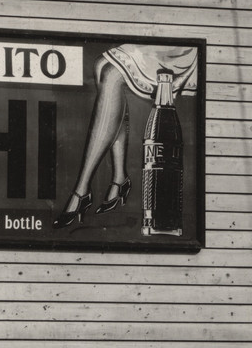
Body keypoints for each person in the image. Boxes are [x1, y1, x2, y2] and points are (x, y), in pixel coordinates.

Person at [53, 43, 199, 228]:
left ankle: (82, 191)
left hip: (180, 53)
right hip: (157, 48)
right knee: (101, 66)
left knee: (112, 75)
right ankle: (119, 178)